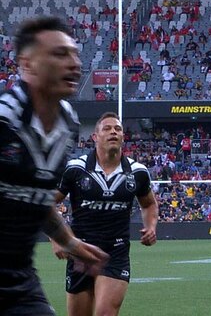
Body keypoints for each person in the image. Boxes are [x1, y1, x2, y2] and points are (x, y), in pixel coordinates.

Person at [0, 17, 108, 315]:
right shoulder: (5, 120)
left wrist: (69, 242)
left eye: (75, 54)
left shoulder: (68, 124)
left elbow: (38, 197)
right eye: (60, 54)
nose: (74, 63)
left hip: (19, 278)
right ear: (28, 63)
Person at [52, 111, 158, 316]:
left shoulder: (138, 172)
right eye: (107, 128)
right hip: (80, 252)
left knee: (104, 313)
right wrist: (57, 237)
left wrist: (151, 226)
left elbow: (149, 204)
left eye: (117, 129)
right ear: (95, 137)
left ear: (123, 137)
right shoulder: (76, 169)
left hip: (115, 252)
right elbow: (47, 203)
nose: (113, 132)